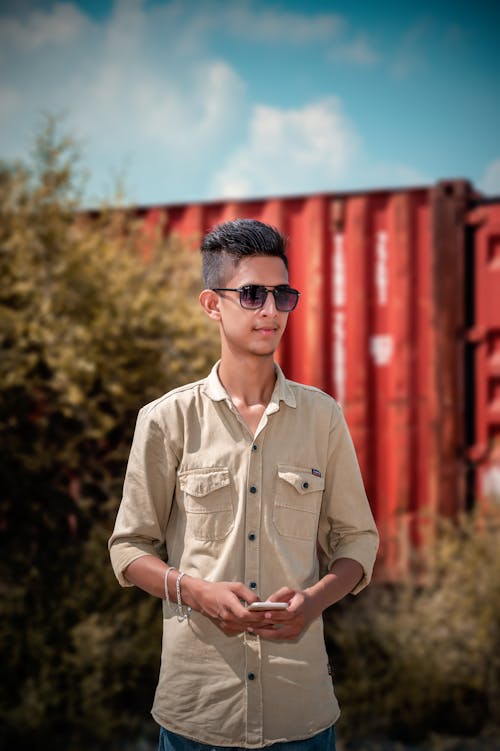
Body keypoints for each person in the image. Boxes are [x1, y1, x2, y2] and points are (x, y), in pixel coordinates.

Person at [108, 218, 379, 751]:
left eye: (283, 295)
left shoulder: (322, 417)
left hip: (300, 714)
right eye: (253, 294)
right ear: (213, 304)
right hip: (197, 716)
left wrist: (314, 601)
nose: (271, 311)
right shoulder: (166, 420)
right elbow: (128, 548)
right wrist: (197, 592)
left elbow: (358, 542)